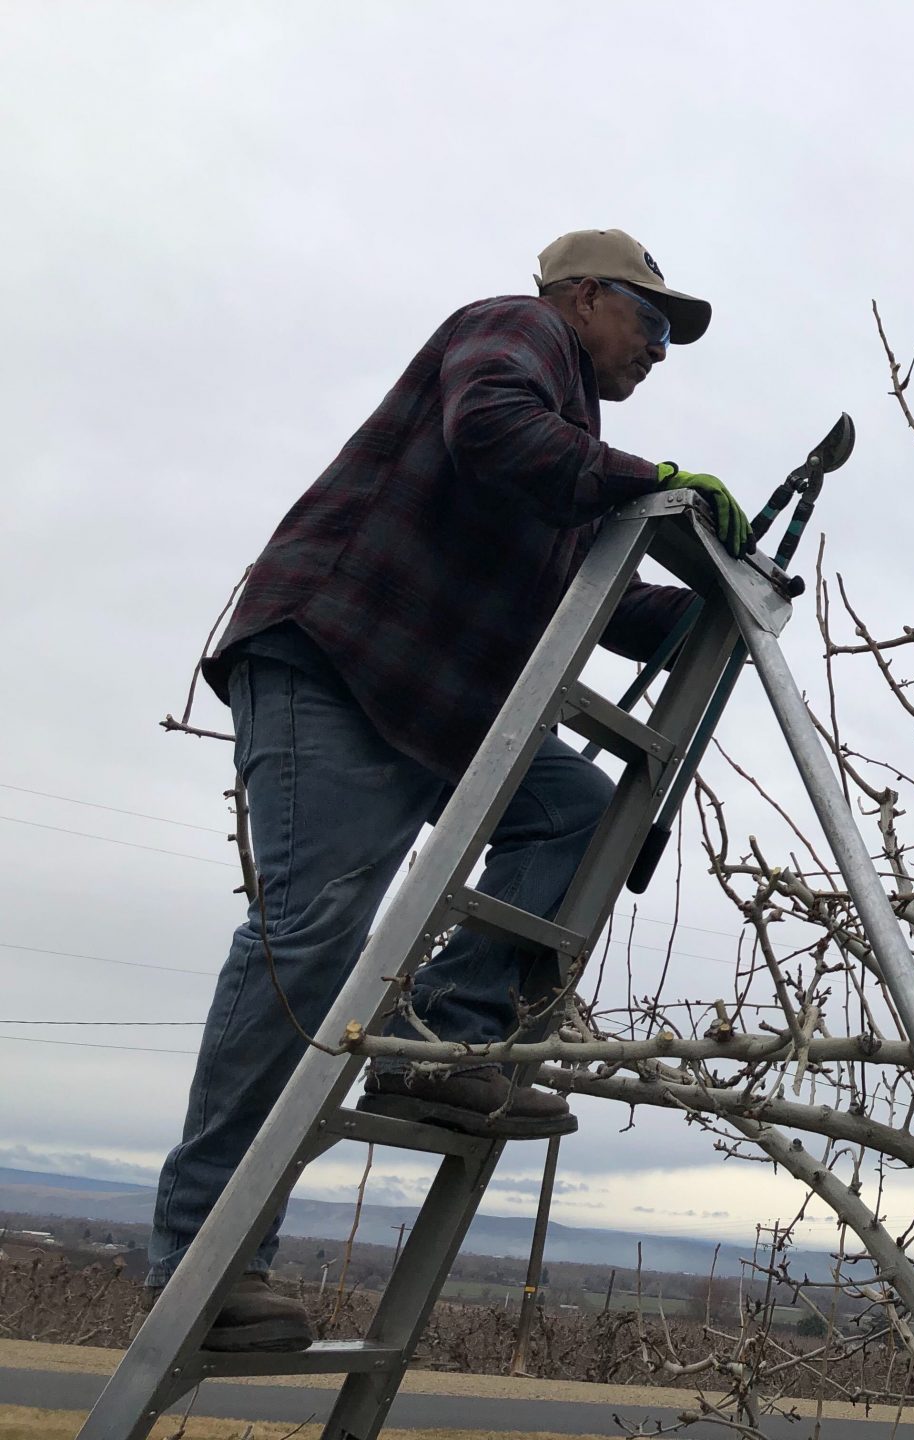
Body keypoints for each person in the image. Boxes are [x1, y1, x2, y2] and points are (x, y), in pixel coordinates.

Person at [146, 228, 748, 1353]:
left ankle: (442, 1041)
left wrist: (717, 608)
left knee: (574, 811)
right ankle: (204, 1261)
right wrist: (659, 488)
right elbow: (489, 431)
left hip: (437, 708)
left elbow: (592, 594)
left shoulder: (566, 447)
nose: (661, 349)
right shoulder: (514, 336)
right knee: (310, 936)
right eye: (650, 320)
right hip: (337, 664)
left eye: (671, 334)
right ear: (580, 296)